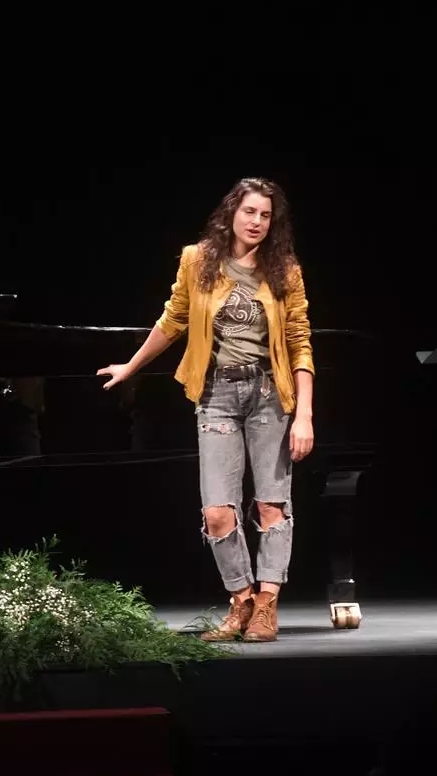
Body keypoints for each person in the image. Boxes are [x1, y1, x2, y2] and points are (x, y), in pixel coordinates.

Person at [97, 177, 315, 642]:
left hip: (269, 394)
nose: (256, 222)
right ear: (232, 212)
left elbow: (299, 341)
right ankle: (241, 601)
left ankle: (267, 606)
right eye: (249, 211)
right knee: (217, 512)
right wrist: (131, 366)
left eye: (266, 215)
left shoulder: (284, 270)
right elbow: (173, 318)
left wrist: (305, 415)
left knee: (271, 505)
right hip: (216, 393)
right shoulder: (198, 260)